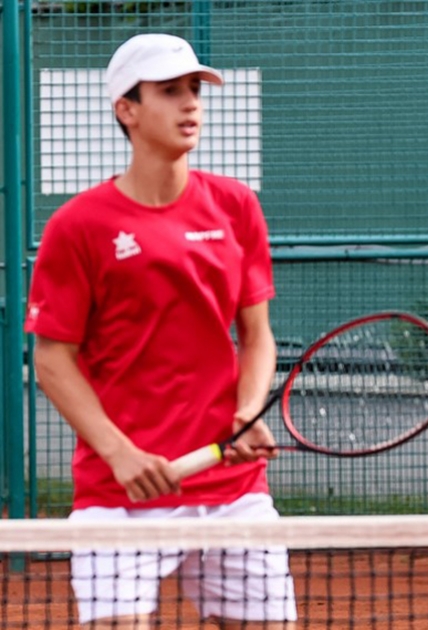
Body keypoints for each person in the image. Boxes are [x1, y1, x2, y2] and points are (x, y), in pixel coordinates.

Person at [25, 33, 296, 628]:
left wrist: (247, 413)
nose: (191, 104)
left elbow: (257, 335)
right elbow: (51, 359)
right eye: (169, 91)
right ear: (127, 108)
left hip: (233, 491)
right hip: (121, 496)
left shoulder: (237, 207)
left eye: (195, 90)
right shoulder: (78, 226)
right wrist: (120, 453)